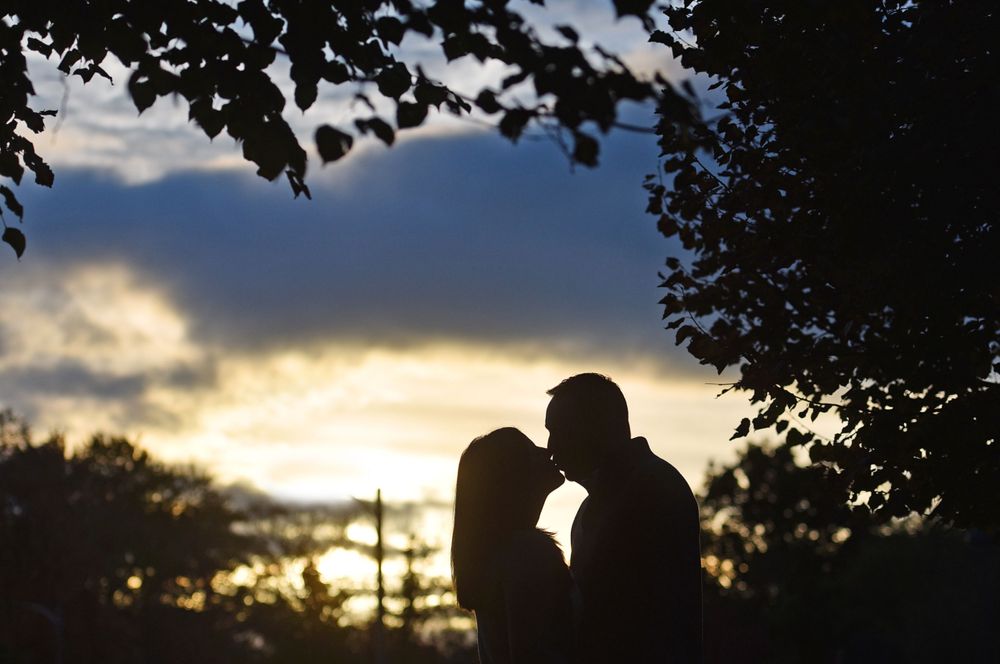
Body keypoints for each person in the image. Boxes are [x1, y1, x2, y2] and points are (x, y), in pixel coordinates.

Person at [546, 373, 702, 663]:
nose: (551, 447)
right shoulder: (604, 499)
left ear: (599, 426)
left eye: (561, 431)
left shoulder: (652, 488)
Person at [451, 427, 577, 664]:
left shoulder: (498, 557)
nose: (547, 451)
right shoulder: (527, 553)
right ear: (512, 475)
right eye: (530, 452)